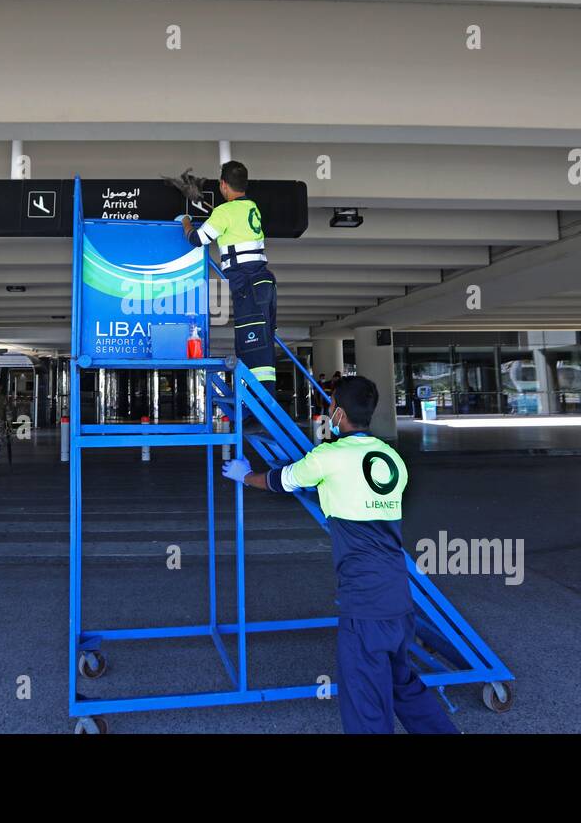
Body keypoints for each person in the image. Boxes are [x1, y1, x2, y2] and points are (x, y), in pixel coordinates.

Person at [221, 375, 458, 734]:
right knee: (402, 682)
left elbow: (283, 480)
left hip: (364, 602)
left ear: (340, 413)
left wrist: (246, 475)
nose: (328, 412)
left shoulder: (328, 456)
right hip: (398, 597)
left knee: (365, 700)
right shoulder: (391, 457)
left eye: (330, 406)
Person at [181, 160, 277, 395]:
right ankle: (267, 403)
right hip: (264, 283)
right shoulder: (251, 206)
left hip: (247, 284)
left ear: (223, 185)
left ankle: (258, 407)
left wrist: (184, 221)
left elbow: (197, 239)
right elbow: (229, 221)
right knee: (264, 342)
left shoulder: (224, 212)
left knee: (251, 343)